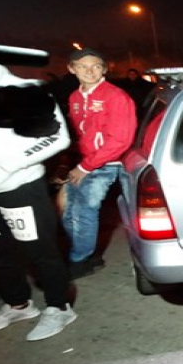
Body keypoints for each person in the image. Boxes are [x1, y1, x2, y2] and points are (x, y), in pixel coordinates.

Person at [0, 40, 76, 340]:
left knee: (40, 252)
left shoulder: (25, 92)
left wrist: (9, 164)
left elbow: (57, 137)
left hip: (18, 189)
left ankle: (59, 307)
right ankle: (18, 305)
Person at [62, 48, 137, 279]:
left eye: (95, 66)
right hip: (86, 161)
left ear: (104, 69)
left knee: (83, 212)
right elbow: (81, 133)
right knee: (69, 212)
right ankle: (84, 253)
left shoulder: (116, 96)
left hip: (108, 162)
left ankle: (80, 260)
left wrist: (85, 167)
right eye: (82, 66)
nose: (89, 71)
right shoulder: (74, 98)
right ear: (72, 69)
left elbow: (120, 140)